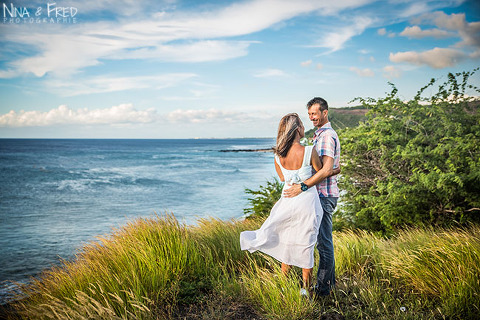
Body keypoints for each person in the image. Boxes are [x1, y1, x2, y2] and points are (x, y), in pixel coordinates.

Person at [240, 113, 340, 297]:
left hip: (286, 201)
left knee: (286, 241)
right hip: (307, 203)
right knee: (306, 244)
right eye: (302, 124)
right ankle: (306, 290)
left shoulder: (278, 156)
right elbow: (320, 173)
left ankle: (284, 286)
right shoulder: (309, 151)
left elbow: (281, 178)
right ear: (297, 130)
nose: (304, 128)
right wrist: (335, 170)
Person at [284, 97, 341, 297]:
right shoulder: (319, 136)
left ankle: (324, 290)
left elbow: (324, 170)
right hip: (320, 196)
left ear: (325, 112)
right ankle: (328, 286)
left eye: (315, 114)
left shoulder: (326, 136)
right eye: (309, 114)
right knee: (322, 242)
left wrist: (302, 186)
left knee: (323, 244)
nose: (312, 118)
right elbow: (328, 169)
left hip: (324, 195)